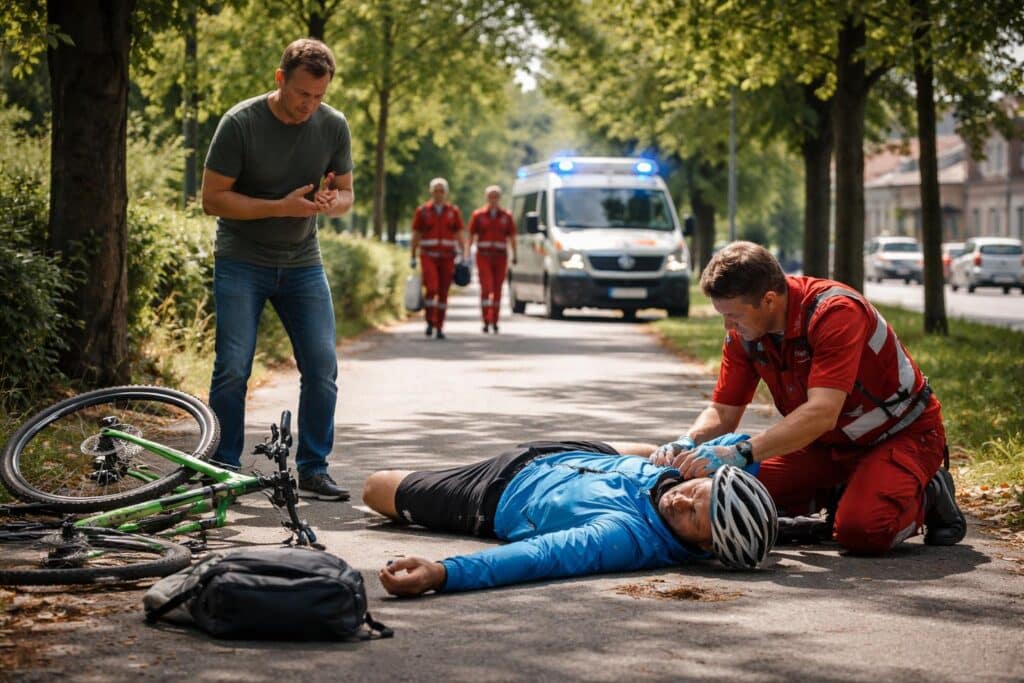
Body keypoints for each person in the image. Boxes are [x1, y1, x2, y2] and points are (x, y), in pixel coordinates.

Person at [649, 242, 966, 555]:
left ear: (769, 300)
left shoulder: (836, 314)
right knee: (726, 494)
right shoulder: (745, 334)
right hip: (826, 445)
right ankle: (839, 492)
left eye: (733, 316)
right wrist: (686, 441)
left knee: (862, 531)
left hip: (900, 436)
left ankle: (928, 493)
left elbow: (821, 413)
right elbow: (723, 411)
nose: (728, 326)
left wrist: (739, 452)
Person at [200, 38, 352, 501]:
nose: (310, 105)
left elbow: (346, 194)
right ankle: (224, 467)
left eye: (319, 96)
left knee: (322, 366)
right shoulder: (240, 123)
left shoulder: (333, 126)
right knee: (232, 368)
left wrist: (330, 203)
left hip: (303, 262)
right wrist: (278, 207)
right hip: (242, 261)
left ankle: (313, 468)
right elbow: (213, 199)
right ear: (280, 78)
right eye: (303, 93)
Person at [362, 436, 777, 597]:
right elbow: (742, 446)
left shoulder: (622, 538)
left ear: (704, 547)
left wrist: (442, 573)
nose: (679, 501)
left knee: (376, 488)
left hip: (494, 492)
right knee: (657, 449)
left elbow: (539, 556)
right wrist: (727, 453)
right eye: (694, 494)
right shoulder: (685, 476)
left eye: (693, 519)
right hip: (573, 450)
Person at [410, 178, 467, 340]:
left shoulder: (453, 212)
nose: (439, 194)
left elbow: (458, 234)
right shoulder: (423, 211)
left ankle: (440, 326)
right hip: (429, 255)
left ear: (446, 193)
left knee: (443, 292)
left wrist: (463, 254)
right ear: (431, 192)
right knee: (432, 288)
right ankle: (430, 321)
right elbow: (416, 235)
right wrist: (413, 256)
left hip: (448, 257)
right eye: (436, 190)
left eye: (441, 191)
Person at [468, 185, 517, 333]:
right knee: (486, 288)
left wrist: (515, 254)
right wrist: (465, 254)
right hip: (484, 256)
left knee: (497, 290)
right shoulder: (479, 215)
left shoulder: (506, 216)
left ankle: (494, 320)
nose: (493, 199)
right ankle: (485, 320)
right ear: (487, 198)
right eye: (491, 196)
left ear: (499, 198)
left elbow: (512, 237)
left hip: (500, 257)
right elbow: (470, 235)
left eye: (496, 196)